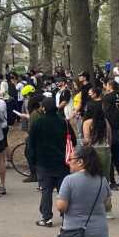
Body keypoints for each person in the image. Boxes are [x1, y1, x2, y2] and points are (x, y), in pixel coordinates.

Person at [30, 97, 70, 227]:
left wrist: (33, 161)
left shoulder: (38, 123)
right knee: (63, 190)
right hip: (61, 161)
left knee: (46, 190)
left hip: (44, 162)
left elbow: (31, 144)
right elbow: (72, 140)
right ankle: (66, 216)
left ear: (44, 108)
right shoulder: (63, 122)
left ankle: (46, 217)